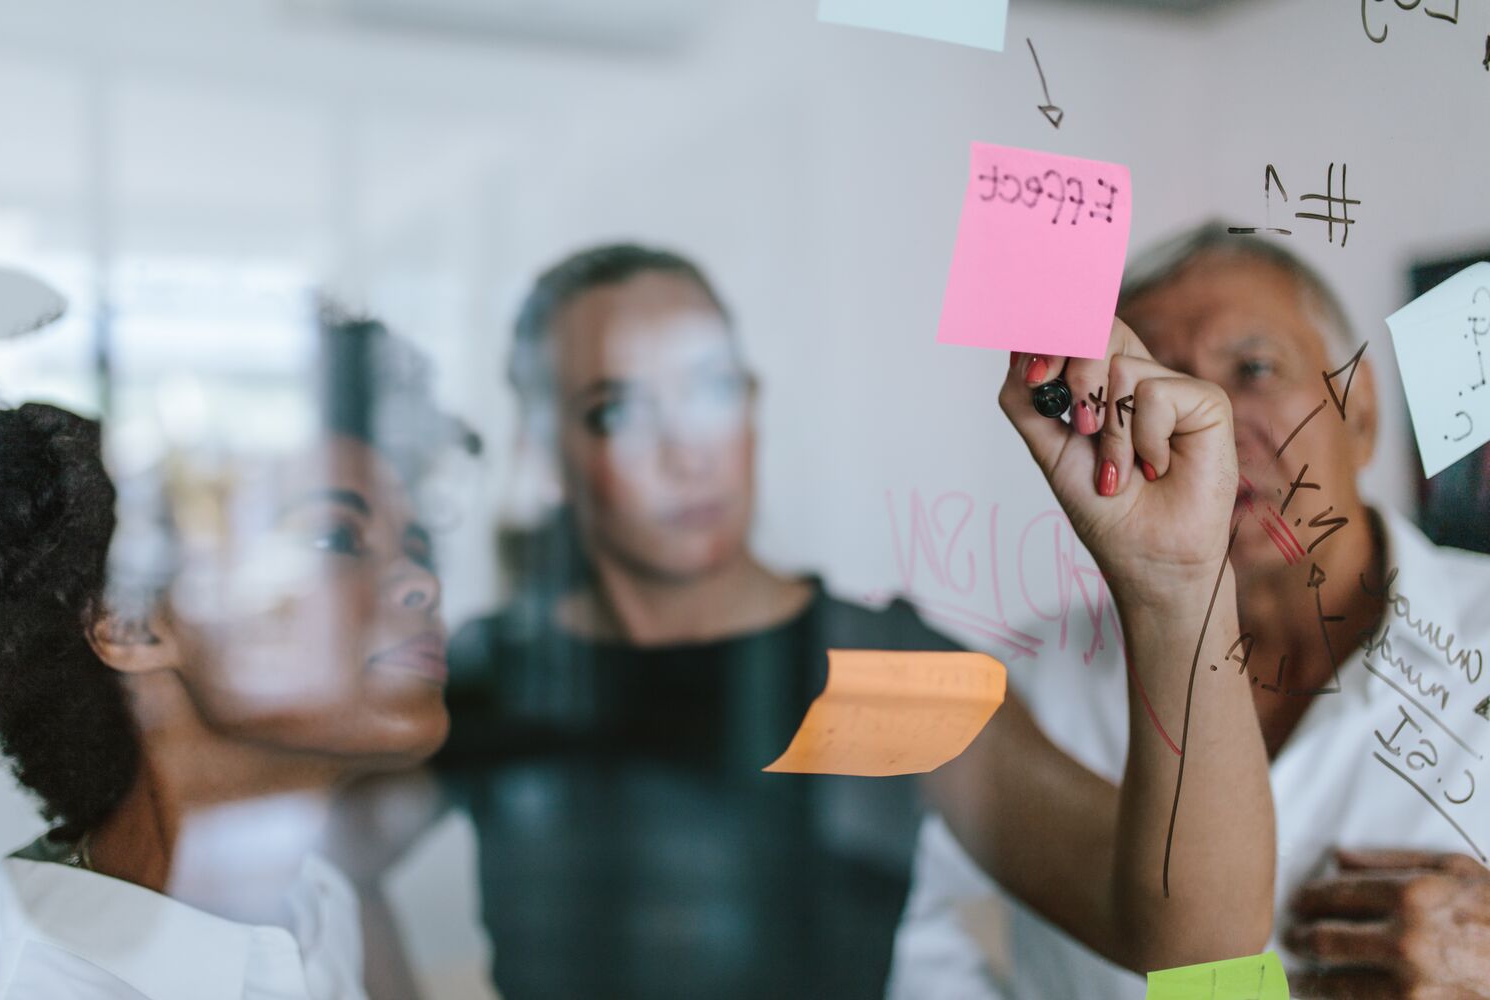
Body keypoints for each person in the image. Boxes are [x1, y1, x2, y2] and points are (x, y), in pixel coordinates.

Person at [439, 243, 1277, 998]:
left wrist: (1177, 585)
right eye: (615, 411)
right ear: (543, 451)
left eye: (710, 389)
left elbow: (1198, 948)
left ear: (753, 404)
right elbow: (325, 873)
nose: (686, 449)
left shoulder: (881, 669)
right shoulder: (490, 672)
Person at [889, 225, 1490, 1000]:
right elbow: (951, 970)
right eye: (1152, 388)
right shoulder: (1027, 695)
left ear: (1363, 409)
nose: (1205, 417)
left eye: (1253, 369)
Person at [0, 313, 486, 999]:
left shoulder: (319, 902)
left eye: (415, 546)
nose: (424, 584)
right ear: (132, 623)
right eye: (334, 539)